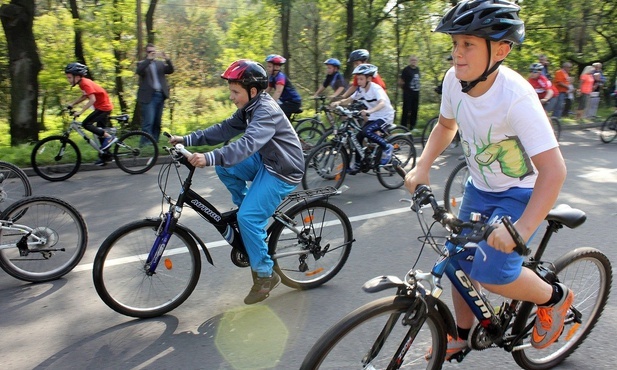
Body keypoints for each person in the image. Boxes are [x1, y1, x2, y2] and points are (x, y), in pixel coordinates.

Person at [404, 0, 572, 362]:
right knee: (459, 262)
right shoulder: (453, 81)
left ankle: (555, 298)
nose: (457, 54)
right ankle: (461, 334)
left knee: (493, 273)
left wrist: (522, 229)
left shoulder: (517, 99)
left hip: (521, 192)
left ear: (500, 49)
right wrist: (422, 166)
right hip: (479, 188)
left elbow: (554, 170)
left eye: (468, 44)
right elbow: (446, 126)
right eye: (455, 44)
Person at [168, 60, 304, 305]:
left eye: (235, 92)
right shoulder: (250, 107)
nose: (231, 97)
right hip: (267, 161)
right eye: (231, 91)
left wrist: (208, 157)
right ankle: (248, 214)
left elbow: (247, 144)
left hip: (283, 169)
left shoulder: (265, 111)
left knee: (249, 218)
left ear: (252, 91)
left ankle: (265, 275)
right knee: (225, 167)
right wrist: (187, 139)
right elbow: (225, 130)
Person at [331, 64, 395, 173]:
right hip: (374, 117)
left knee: (367, 131)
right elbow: (350, 99)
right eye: (357, 79)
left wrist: (369, 111)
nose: (358, 81)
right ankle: (357, 164)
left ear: (369, 79)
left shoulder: (376, 88)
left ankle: (387, 147)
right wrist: (338, 103)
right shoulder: (361, 90)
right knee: (358, 136)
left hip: (385, 116)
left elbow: (382, 103)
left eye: (361, 79)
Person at [64, 62, 117, 166]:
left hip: (104, 108)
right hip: (102, 107)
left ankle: (109, 137)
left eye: (70, 77)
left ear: (77, 76)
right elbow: (85, 96)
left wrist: (80, 112)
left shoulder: (85, 83)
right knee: (99, 132)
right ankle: (106, 157)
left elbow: (92, 99)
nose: (68, 80)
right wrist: (72, 104)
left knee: (86, 124)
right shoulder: (82, 83)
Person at [136, 43, 174, 143]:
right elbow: (139, 71)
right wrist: (148, 59)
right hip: (148, 97)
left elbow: (171, 70)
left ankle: (154, 143)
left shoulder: (160, 64)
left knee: (157, 122)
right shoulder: (142, 63)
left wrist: (167, 59)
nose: (151, 53)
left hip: (160, 95)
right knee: (148, 122)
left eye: (153, 52)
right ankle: (145, 145)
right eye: (149, 52)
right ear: (146, 52)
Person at [398, 55, 421, 130]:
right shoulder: (406, 70)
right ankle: (403, 126)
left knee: (415, 109)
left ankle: (412, 126)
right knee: (406, 109)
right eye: (412, 60)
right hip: (408, 93)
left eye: (415, 60)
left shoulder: (417, 69)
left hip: (416, 92)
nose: (413, 61)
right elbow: (401, 81)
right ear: (409, 61)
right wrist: (405, 89)